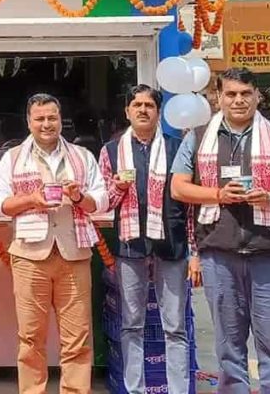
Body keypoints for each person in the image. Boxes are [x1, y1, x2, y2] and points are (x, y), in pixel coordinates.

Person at [171, 68, 270, 394]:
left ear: (257, 96)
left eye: (245, 94)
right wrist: (218, 195)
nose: (238, 100)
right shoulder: (196, 138)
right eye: (231, 94)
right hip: (219, 255)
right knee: (228, 348)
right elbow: (178, 187)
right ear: (218, 98)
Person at [0, 93, 108, 394]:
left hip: (74, 253)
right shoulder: (13, 157)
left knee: (78, 337)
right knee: (30, 337)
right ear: (29, 122)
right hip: (30, 256)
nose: (46, 124)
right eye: (39, 118)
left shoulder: (82, 156)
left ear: (61, 119)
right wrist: (32, 199)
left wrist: (79, 197)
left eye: (51, 118)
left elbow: (102, 201)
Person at [98, 85, 195, 394]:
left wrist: (195, 250)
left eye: (149, 105)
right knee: (131, 325)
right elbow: (103, 202)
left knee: (175, 327)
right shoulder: (111, 151)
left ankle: (178, 390)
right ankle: (135, 389)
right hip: (130, 245)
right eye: (136, 105)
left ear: (158, 111)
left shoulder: (177, 147)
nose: (142, 110)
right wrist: (116, 187)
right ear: (127, 111)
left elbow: (190, 204)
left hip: (172, 243)